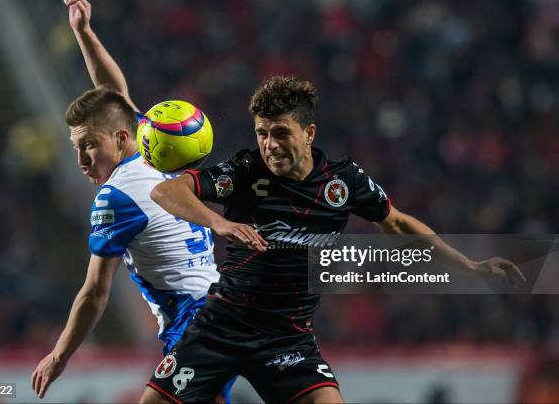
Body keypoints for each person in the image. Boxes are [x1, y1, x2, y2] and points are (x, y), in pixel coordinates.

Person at [147, 75, 526, 403]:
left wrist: (471, 266)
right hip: (220, 328)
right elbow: (167, 192)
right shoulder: (246, 171)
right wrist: (219, 222)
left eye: (281, 133)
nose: (270, 145)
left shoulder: (343, 183)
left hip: (286, 340)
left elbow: (398, 225)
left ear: (309, 133)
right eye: (262, 134)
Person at [31, 0, 236, 402]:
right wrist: (84, 33)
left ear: (121, 139)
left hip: (195, 322)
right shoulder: (154, 144)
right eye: (76, 147)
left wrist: (59, 356)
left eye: (89, 145)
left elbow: (94, 293)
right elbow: (115, 95)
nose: (81, 159)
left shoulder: (115, 198)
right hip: (224, 305)